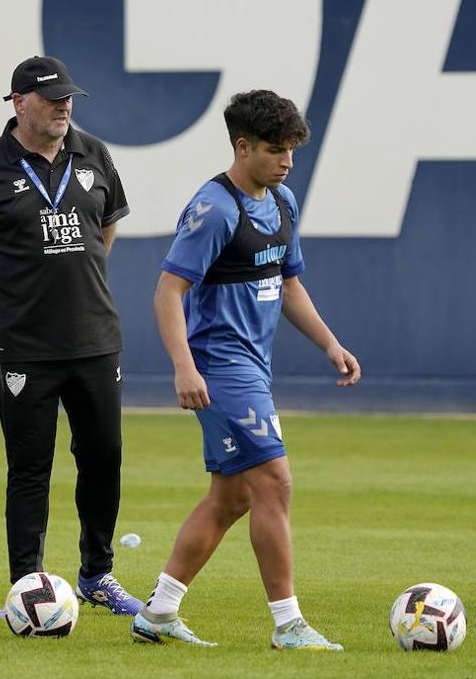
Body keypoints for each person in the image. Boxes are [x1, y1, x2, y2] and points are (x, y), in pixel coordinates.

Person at [129, 89, 360, 649]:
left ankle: (158, 613)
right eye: (277, 150)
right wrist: (184, 368)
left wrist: (330, 344)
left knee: (232, 497)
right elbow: (167, 292)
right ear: (243, 146)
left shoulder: (282, 203)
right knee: (275, 483)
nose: (287, 162)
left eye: (292, 152)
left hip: (254, 368)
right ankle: (288, 625)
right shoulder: (215, 209)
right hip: (219, 368)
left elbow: (288, 285)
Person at [0, 55, 141, 615]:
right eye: (52, 98)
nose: (63, 106)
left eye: (68, 98)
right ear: (19, 103)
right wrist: (10, 297)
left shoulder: (94, 153)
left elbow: (105, 228)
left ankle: (97, 575)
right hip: (24, 346)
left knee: (103, 458)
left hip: (96, 339)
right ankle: (25, 587)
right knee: (30, 468)